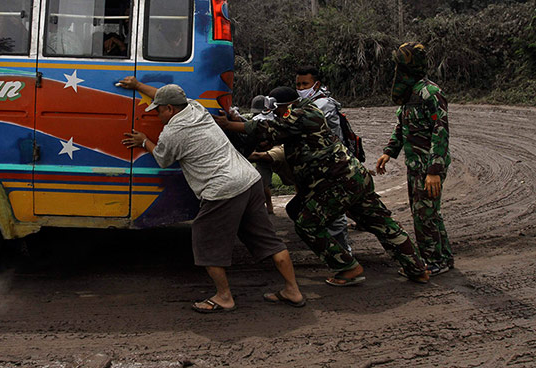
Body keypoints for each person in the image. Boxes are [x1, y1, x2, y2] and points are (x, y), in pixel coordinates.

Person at [119, 77, 305, 313]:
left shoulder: (173, 132)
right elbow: (165, 95)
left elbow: (163, 159)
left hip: (222, 189)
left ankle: (224, 297)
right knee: (268, 240)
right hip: (249, 179)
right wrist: (137, 86)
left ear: (170, 109)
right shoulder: (196, 107)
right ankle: (292, 290)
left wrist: (144, 140)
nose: (157, 115)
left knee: (205, 240)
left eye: (158, 111)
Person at [215, 86, 429, 286]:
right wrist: (239, 122)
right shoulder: (298, 118)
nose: (276, 114)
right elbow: (268, 129)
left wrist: (228, 125)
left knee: (307, 224)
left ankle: (347, 267)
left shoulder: (304, 114)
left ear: (284, 106)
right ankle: (417, 269)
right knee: (380, 223)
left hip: (336, 183)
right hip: (349, 180)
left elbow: (269, 128)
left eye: (277, 110)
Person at [376, 42, 454, 276]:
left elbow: (441, 132)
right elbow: (402, 126)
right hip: (415, 164)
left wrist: (434, 170)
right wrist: (389, 151)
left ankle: (433, 261)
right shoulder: (409, 93)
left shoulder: (430, 93)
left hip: (429, 166)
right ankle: (444, 257)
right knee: (427, 213)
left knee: (424, 215)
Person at [295, 66, 352, 253]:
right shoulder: (307, 104)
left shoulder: (323, 105)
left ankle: (344, 255)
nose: (301, 88)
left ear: (316, 84)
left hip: (333, 164)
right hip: (322, 165)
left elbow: (299, 125)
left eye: (305, 84)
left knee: (335, 213)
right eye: (298, 84)